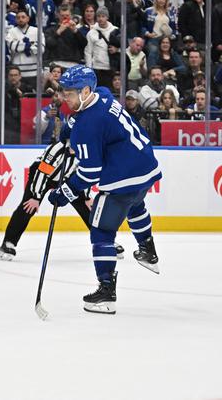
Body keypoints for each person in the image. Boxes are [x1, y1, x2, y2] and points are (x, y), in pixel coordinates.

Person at [48, 65, 161, 314]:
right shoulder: (103, 95)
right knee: (136, 205)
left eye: (70, 93)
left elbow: (90, 172)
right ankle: (147, 249)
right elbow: (97, 101)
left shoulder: (87, 126)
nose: (64, 97)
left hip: (122, 177)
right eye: (64, 92)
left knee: (101, 231)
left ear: (86, 91)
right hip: (145, 167)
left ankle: (106, 292)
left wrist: (64, 193)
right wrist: (72, 123)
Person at [0, 127, 125, 262]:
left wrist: (86, 197)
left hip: (68, 179)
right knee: (28, 207)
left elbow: (87, 174)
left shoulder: (87, 150)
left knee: (88, 209)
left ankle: (106, 242)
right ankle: (8, 243)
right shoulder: (56, 149)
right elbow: (42, 173)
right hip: (44, 177)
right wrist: (36, 197)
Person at [6, 10, 44, 84]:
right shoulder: (11, 31)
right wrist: (30, 44)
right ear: (15, 20)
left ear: (28, 18)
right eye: (18, 18)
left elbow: (41, 49)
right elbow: (12, 46)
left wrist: (20, 45)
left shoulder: (37, 31)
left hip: (35, 71)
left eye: (23, 17)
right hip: (17, 73)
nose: (20, 19)